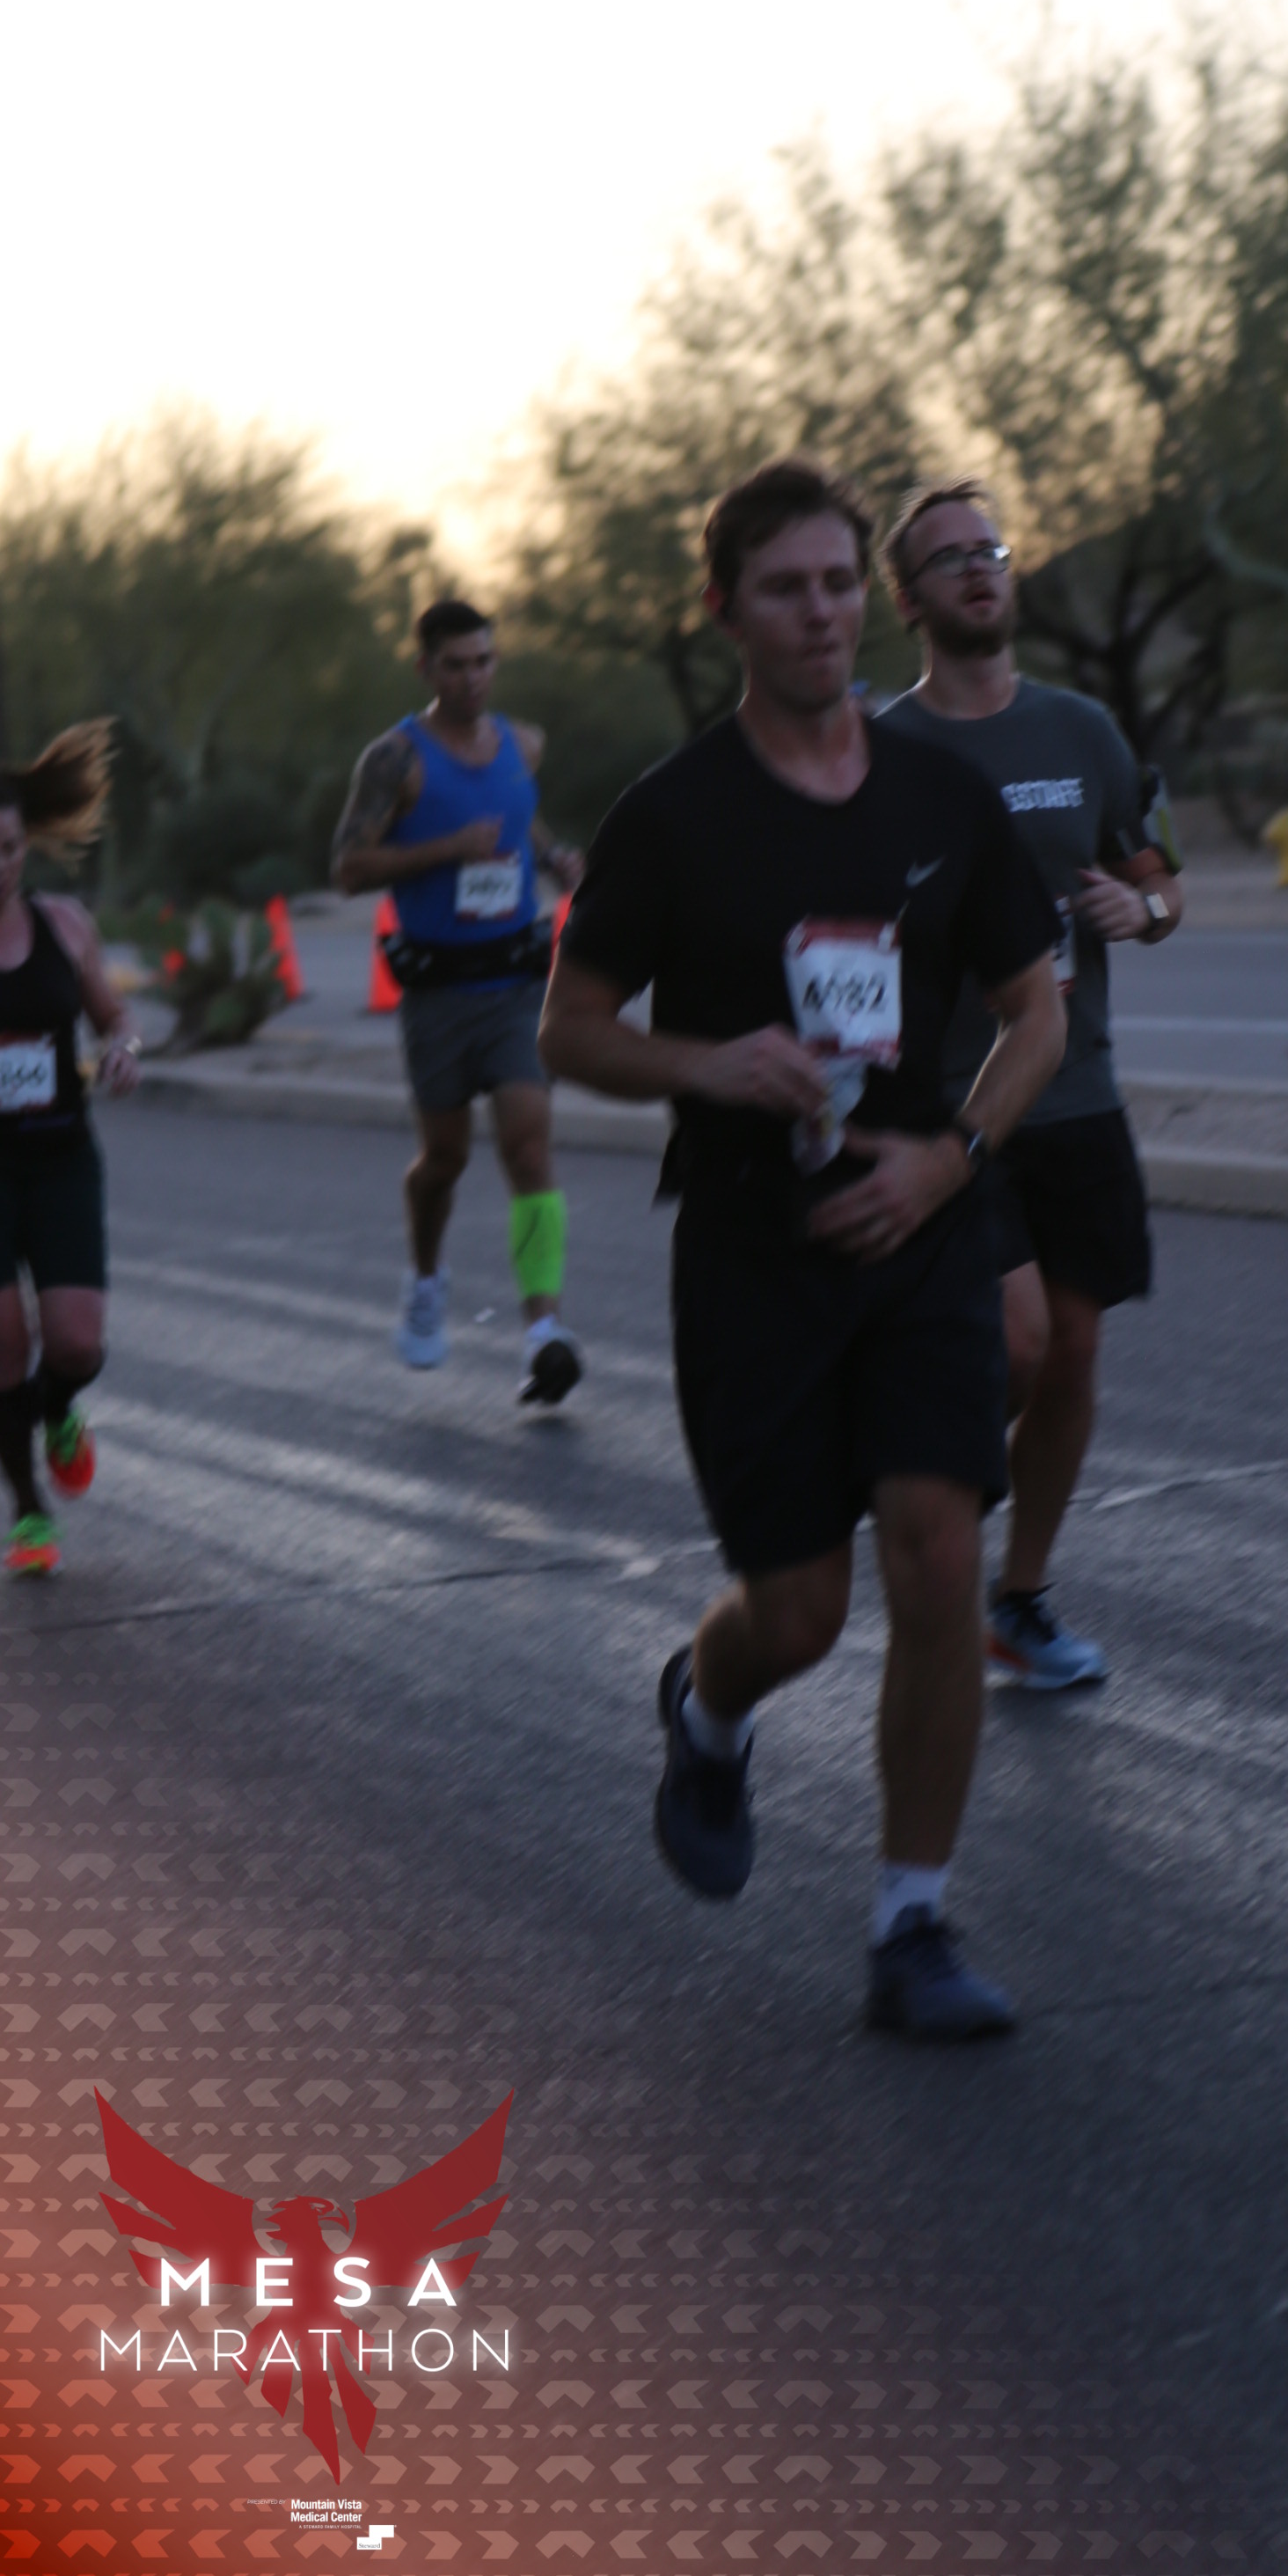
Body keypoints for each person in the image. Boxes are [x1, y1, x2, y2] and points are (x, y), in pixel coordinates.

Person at [539, 459, 1065, 2040]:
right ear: (727, 612)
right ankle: (708, 1711)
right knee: (799, 1617)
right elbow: (571, 1027)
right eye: (787, 589)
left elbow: (1036, 1014)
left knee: (938, 1555)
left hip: (921, 1227)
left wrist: (953, 1157)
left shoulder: (940, 799)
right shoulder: (674, 816)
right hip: (754, 1250)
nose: (823, 613)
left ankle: (914, 1925)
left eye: (841, 583)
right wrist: (706, 1064)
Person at [877, 480, 1183, 1691]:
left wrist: (1141, 911)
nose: (978, 569)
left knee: (1073, 1355)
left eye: (991, 551)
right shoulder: (886, 751)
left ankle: (1020, 1599)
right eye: (949, 558)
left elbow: (1160, 881)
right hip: (954, 1097)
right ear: (908, 599)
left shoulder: (1081, 731)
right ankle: (920, 1498)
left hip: (1078, 1087)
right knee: (1017, 1340)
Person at [331, 599, 585, 1404]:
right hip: (437, 993)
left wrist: (554, 855)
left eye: (484, 662)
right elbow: (348, 868)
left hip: (516, 983)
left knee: (529, 1148)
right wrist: (448, 849)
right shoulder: (395, 759)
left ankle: (544, 1331)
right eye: (455, 665)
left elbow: (516, 815)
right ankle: (426, 1279)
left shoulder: (523, 744)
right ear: (426, 669)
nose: (473, 678)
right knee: (444, 1159)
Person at [0, 724, 143, 1577]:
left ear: (26, 845)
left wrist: (125, 1050)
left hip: (59, 1155)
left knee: (77, 1344)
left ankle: (58, 1411)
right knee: (1, 1344)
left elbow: (115, 1017)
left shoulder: (64, 924)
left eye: (9, 849)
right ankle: (27, 1511)